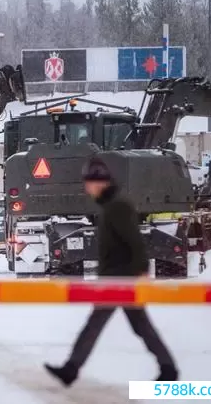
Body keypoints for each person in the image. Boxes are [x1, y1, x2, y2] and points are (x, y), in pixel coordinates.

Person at [44, 156, 178, 386]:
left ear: (99, 182)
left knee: (96, 324)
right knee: (139, 326)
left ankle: (71, 369)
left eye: (88, 183)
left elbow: (135, 242)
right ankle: (168, 368)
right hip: (116, 277)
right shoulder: (111, 205)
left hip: (121, 278)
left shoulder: (118, 206)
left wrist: (142, 273)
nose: (87, 188)